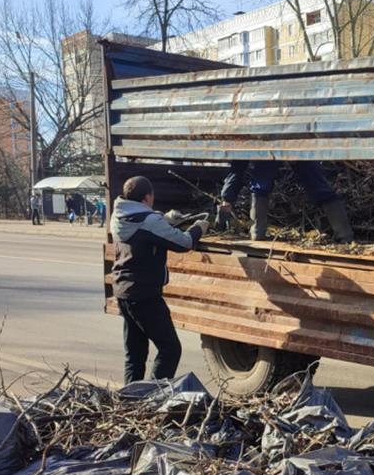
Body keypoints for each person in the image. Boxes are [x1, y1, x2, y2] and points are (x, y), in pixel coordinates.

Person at [110, 175, 209, 384]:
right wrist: (199, 227)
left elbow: (145, 227)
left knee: (135, 354)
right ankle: (151, 397)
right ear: (147, 197)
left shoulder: (118, 216)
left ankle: (130, 399)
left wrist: (163, 219)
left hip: (123, 292)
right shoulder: (150, 222)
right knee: (170, 349)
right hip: (145, 294)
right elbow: (184, 242)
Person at [217, 160, 354, 243]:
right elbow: (237, 170)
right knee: (262, 183)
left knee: (316, 184)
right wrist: (226, 199)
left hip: (291, 137)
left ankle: (344, 235)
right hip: (277, 138)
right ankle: (345, 236)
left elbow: (237, 170)